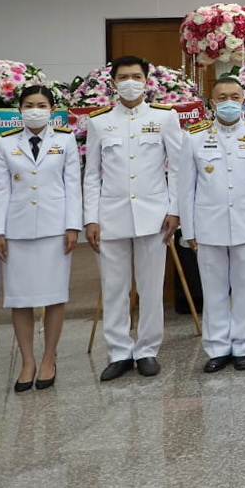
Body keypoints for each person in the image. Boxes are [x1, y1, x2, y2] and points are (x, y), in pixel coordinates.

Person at [83, 56, 184, 381]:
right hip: (110, 216)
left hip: (153, 215)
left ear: (146, 81)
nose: (130, 82)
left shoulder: (165, 118)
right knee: (114, 286)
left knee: (151, 286)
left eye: (136, 76)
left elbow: (178, 167)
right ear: (113, 83)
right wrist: (91, 218)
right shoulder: (99, 122)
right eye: (123, 76)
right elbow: (92, 175)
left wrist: (174, 208)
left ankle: (147, 350)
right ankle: (118, 351)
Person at [179, 77, 245, 373]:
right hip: (207, 226)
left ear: (243, 100)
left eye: (234, 96)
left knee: (243, 287)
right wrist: (189, 231)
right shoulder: (194, 137)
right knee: (213, 289)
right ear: (211, 103)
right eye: (221, 96)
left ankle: (243, 346)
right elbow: (186, 188)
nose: (227, 101)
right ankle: (217, 347)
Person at [0, 86, 80, 392]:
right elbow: (0, 190)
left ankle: (48, 359)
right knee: (20, 299)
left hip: (55, 229)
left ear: (52, 109)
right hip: (17, 230)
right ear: (20, 109)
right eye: (29, 105)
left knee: (54, 296)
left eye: (41, 105)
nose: (35, 109)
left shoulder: (65, 140)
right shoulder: (4, 144)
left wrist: (73, 226)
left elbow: (73, 186)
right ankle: (28, 361)